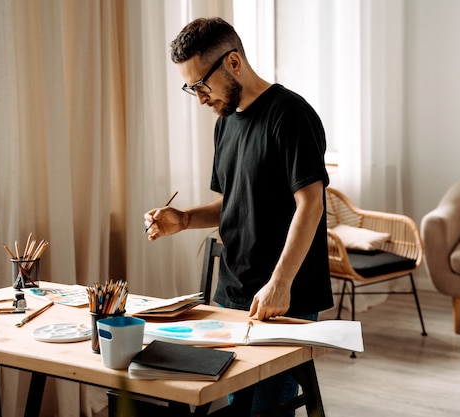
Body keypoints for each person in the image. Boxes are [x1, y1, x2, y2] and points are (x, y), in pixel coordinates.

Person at [144, 17, 333, 415]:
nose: (199, 98)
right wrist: (184, 218)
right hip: (233, 293)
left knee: (264, 409)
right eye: (190, 88)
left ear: (232, 63)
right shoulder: (226, 123)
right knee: (237, 404)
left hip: (284, 297)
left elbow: (311, 204)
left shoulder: (290, 115)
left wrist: (280, 283)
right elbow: (234, 203)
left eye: (201, 85)